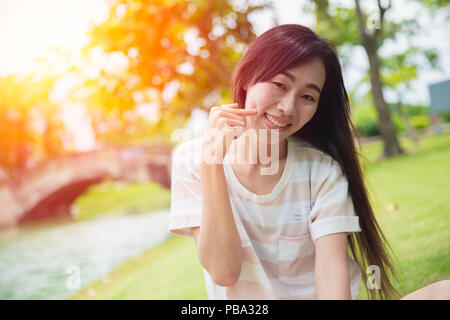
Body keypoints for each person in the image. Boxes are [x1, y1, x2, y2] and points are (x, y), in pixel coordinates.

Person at [168, 24, 449, 300]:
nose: (288, 107)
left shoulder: (322, 171)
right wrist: (212, 164)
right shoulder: (193, 160)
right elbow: (224, 272)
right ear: (246, 79)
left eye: (307, 96)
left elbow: (330, 272)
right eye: (279, 84)